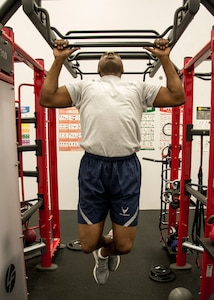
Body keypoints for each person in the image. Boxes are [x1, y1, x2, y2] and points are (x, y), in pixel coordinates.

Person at [40, 38, 185, 285]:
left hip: (126, 168)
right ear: (98, 68)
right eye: (105, 52)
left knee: (124, 246)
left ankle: (106, 252)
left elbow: (177, 96)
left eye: (114, 53)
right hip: (92, 168)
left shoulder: (138, 87)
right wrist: (58, 59)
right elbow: (48, 98)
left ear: (122, 68)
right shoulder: (84, 86)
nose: (109, 52)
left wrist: (164, 58)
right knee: (86, 245)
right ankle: (99, 251)